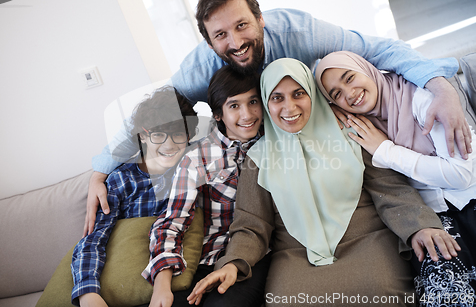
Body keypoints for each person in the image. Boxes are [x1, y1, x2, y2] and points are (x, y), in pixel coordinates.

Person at [85, 0, 472, 237]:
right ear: (208, 41)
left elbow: (378, 50)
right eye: (220, 35)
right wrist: (100, 169)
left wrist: (440, 86)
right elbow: (155, 110)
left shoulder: (301, 33)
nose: (235, 42)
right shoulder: (201, 67)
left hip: (337, 130)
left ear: (260, 20)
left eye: (242, 26)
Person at [187, 58, 459, 307]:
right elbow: (251, 224)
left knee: (378, 293)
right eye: (277, 98)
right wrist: (233, 264)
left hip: (367, 241)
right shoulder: (257, 158)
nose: (289, 107)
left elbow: (390, 190)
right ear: (267, 105)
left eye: (298, 94)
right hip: (296, 255)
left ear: (313, 94)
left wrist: (420, 226)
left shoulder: (352, 132)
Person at [314, 50, 476, 304]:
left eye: (349, 78)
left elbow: (461, 175)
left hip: (470, 198)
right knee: (446, 289)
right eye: (336, 94)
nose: (349, 93)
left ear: (367, 69)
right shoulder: (362, 126)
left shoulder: (421, 99)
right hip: (431, 216)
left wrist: (385, 151)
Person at [142, 65, 269, 307]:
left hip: (252, 256)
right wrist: (162, 286)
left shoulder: (274, 142)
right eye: (234, 105)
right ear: (218, 114)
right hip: (205, 258)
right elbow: (173, 220)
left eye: (253, 102)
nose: (247, 114)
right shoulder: (198, 157)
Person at [70, 86, 198, 307]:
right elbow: (93, 238)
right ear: (142, 136)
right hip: (124, 281)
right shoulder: (121, 180)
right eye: (158, 134)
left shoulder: (191, 167)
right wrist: (87, 292)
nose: (169, 144)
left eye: (178, 134)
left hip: (174, 276)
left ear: (189, 136)